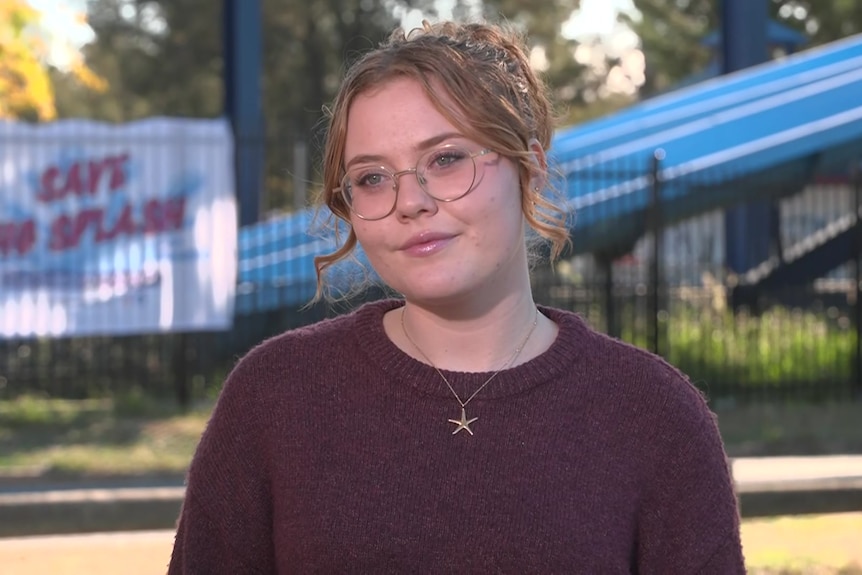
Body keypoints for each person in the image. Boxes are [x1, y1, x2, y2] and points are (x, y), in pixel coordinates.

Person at [168, 19, 745, 573]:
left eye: (445, 160)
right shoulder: (275, 399)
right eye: (372, 176)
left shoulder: (655, 417)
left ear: (530, 168)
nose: (410, 200)